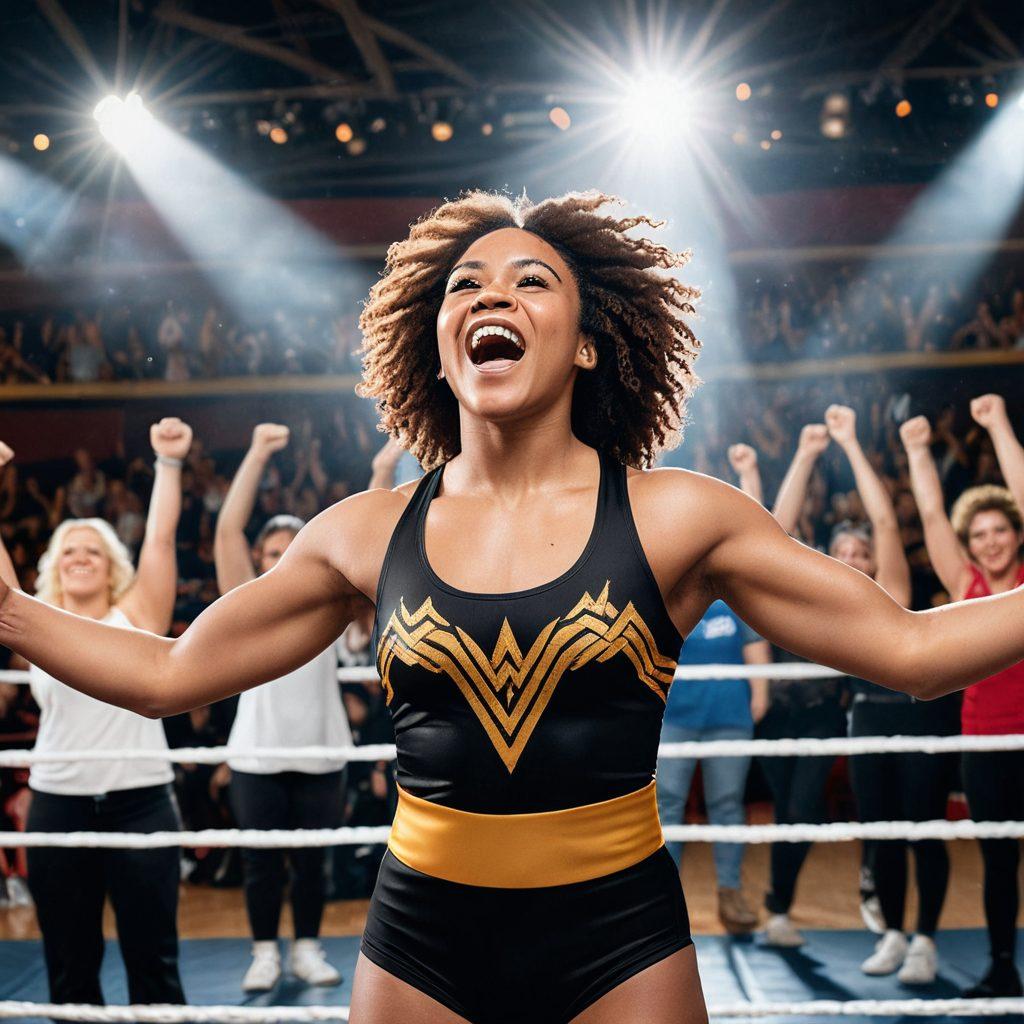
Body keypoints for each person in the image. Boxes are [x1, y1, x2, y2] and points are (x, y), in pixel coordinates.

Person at [5, 194, 1024, 1024]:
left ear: (586, 343)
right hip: (419, 943)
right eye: (466, 285)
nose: (493, 293)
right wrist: (9, 611)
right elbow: (169, 674)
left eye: (533, 280)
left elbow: (910, 649)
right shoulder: (360, 533)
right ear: (439, 344)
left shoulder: (679, 517)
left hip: (619, 937)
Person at [0, 420, 191, 1008]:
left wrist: (167, 463)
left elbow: (158, 539)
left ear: (113, 567)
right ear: (55, 566)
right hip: (59, 804)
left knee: (153, 957)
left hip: (142, 800)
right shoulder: (31, 622)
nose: (81, 558)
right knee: (69, 962)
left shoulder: (137, 615)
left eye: (94, 551)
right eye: (70, 551)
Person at [798, 405, 957, 981]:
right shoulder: (828, 608)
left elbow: (886, 523)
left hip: (918, 720)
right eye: (841, 553)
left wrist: (849, 442)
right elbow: (783, 531)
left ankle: (926, 941)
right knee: (882, 833)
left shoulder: (887, 592)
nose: (852, 560)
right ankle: (892, 933)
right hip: (865, 721)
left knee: (922, 829)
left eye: (859, 553)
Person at [214, 423, 353, 992]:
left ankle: (307, 950)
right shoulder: (247, 610)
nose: (279, 561)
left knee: (314, 861)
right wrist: (255, 453)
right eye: (270, 553)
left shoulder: (335, 606)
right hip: (257, 754)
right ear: (258, 557)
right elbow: (226, 531)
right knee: (262, 863)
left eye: (289, 552)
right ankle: (265, 952)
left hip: (323, 750)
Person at [900, 393, 1024, 999]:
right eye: (979, 533)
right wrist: (918, 451)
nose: (991, 541)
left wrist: (999, 424)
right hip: (984, 742)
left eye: (1001, 529)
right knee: (999, 863)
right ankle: (1002, 965)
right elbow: (928, 513)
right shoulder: (966, 583)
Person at [655, 443, 769, 934]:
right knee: (667, 808)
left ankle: (730, 894)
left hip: (729, 715)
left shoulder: (732, 590)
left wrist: (759, 694)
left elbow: (762, 538)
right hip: (675, 717)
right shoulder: (667, 586)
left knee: (727, 807)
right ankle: (663, 906)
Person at [757, 422, 849, 948]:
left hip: (820, 710)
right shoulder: (788, 568)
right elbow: (777, 528)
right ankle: (779, 909)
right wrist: (805, 453)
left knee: (802, 810)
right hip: (777, 711)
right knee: (788, 810)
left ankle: (777, 906)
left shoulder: (840, 584)